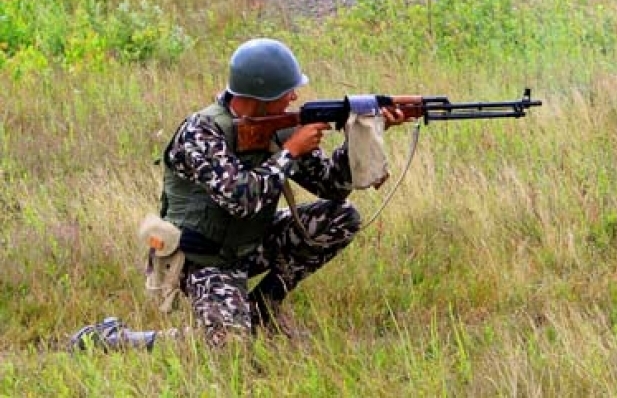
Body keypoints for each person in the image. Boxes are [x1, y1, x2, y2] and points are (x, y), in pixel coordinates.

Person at [70, 37, 409, 350]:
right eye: (286, 91)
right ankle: (117, 339)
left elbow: (331, 187)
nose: (294, 97)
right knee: (228, 347)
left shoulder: (280, 125)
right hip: (201, 259)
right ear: (257, 97)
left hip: (248, 243)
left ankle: (262, 312)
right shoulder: (201, 132)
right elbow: (240, 199)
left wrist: (363, 136)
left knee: (340, 218)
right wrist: (289, 152)